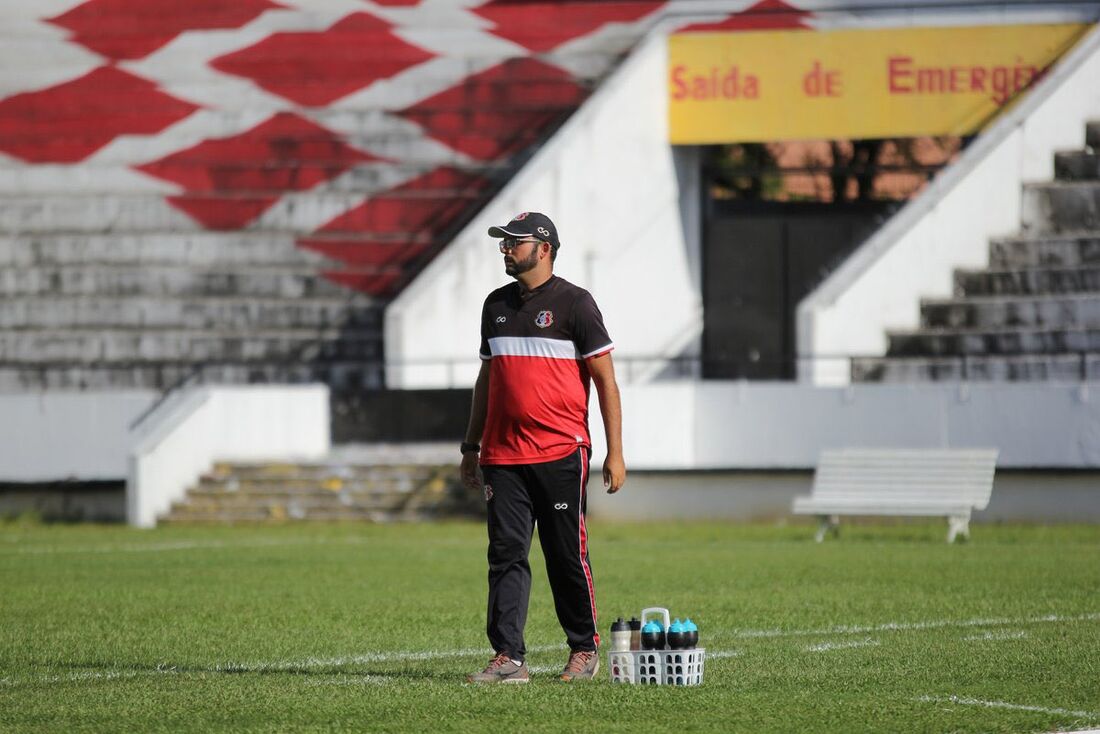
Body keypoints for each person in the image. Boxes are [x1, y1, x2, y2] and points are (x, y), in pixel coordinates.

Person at [461, 211, 625, 684]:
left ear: (545, 247)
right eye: (503, 242)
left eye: (515, 241)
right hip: (502, 456)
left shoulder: (576, 304)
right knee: (506, 553)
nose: (505, 248)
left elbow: (607, 383)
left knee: (564, 553)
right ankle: (509, 657)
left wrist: (615, 452)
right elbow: (487, 379)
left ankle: (583, 649)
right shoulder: (495, 304)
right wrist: (470, 446)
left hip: (560, 452)